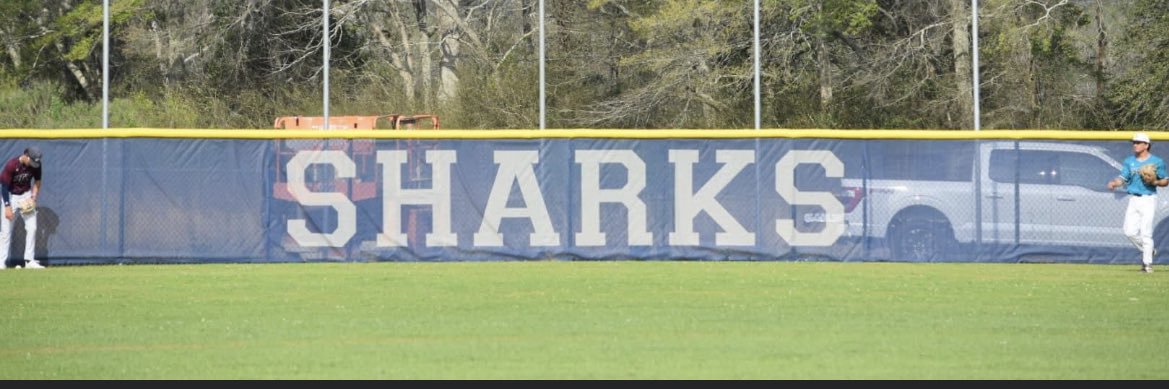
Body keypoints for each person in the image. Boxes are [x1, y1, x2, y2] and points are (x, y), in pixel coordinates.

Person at [1108, 132, 1168, 273]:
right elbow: (1123, 178)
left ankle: (1147, 265)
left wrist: (1155, 182)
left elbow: (1165, 181)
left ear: (1146, 145)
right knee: (1129, 231)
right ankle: (1149, 250)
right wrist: (1114, 183)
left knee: (1146, 232)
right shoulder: (1129, 161)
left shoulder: (1157, 161)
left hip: (1148, 198)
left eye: (1138, 142)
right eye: (1134, 142)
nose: (1135, 145)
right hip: (1133, 199)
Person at [0, 147, 43, 269]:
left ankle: (29, 261)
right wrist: (7, 206)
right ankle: (1, 261)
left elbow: (37, 181)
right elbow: (4, 187)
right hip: (11, 196)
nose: (34, 164)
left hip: (26, 196)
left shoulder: (36, 165)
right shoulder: (12, 165)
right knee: (6, 231)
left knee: (32, 228)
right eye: (32, 161)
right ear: (26, 155)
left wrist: (33, 197)